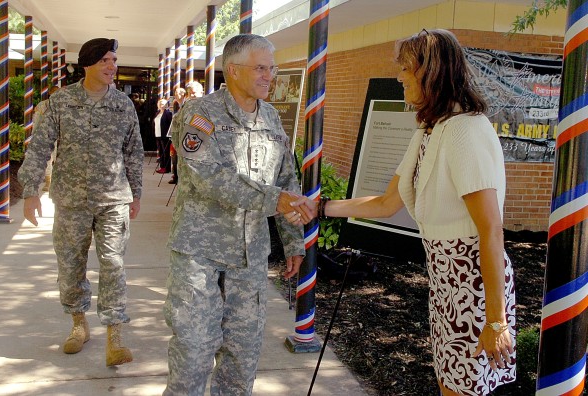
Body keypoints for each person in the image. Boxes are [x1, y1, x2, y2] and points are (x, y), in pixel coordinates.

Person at [294, 29, 516, 396]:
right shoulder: (430, 130)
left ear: (432, 73)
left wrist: (496, 321)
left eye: (407, 69)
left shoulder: (466, 132)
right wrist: (320, 209)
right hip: (446, 279)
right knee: (450, 384)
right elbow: (387, 202)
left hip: (473, 282)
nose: (399, 77)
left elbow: (491, 229)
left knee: (462, 389)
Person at [162, 33, 313, 395]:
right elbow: (209, 178)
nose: (269, 76)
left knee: (242, 356)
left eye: (271, 68)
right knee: (194, 352)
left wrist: (293, 241)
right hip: (200, 255)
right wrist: (276, 201)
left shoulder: (272, 117)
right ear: (232, 70)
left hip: (250, 258)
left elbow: (286, 178)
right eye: (261, 68)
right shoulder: (199, 115)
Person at [18, 37, 144, 367]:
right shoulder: (59, 103)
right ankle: (78, 325)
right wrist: (31, 191)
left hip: (113, 199)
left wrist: (137, 193)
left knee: (113, 264)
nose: (112, 67)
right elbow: (39, 148)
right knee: (71, 265)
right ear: (86, 64)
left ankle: (115, 334)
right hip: (71, 200)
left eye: (114, 60)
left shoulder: (123, 105)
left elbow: (133, 151)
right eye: (105, 60)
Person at [32, 85, 59, 192]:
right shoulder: (42, 105)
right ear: (50, 94)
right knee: (48, 159)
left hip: (60, 137)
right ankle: (49, 182)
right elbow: (37, 121)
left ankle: (55, 182)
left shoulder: (65, 106)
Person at [168, 87, 186, 184]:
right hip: (174, 134)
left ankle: (179, 177)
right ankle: (175, 175)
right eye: (175, 93)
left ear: (183, 94)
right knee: (173, 156)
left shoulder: (186, 105)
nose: (175, 95)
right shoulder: (175, 104)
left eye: (177, 93)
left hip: (182, 135)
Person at [154, 98, 172, 173]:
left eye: (164, 104)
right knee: (161, 151)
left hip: (165, 135)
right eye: (160, 104)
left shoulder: (168, 113)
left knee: (166, 152)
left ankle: (166, 168)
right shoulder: (157, 113)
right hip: (158, 134)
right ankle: (162, 166)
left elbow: (170, 124)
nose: (162, 105)